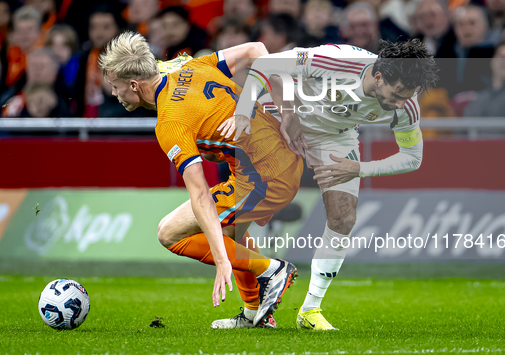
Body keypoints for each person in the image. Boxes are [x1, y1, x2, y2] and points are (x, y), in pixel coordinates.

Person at [99, 31, 302, 328]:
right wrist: (283, 112)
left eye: (115, 87)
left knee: (169, 233)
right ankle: (253, 314)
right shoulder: (187, 66)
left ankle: (272, 270)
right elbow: (257, 49)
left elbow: (200, 196)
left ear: (133, 84)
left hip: (268, 178)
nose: (114, 95)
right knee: (230, 230)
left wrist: (221, 259)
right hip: (270, 161)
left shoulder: (171, 123)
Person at [232, 39, 439, 329]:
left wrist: (359, 168)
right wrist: (283, 109)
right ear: (378, 77)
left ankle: (310, 310)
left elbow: (412, 158)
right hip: (284, 115)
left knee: (344, 217)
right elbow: (266, 64)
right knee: (239, 217)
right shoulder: (335, 61)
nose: (402, 103)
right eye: (398, 94)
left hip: (335, 136)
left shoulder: (406, 106)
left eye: (409, 96)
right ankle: (250, 308)